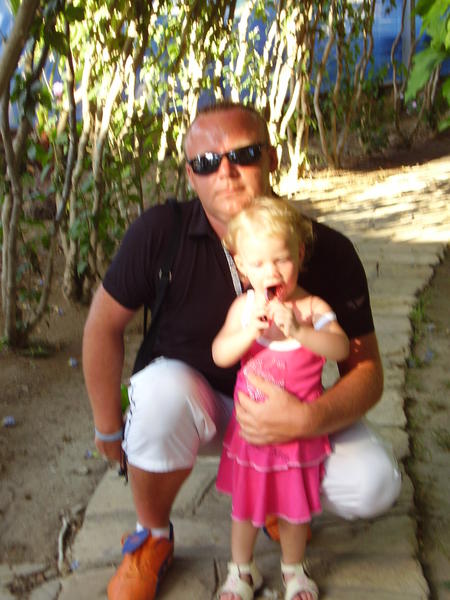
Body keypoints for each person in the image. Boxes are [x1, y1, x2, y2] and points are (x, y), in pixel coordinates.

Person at [82, 101, 401, 600]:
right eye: (206, 162)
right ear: (190, 175)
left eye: (244, 155)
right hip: (201, 410)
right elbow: (102, 326)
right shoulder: (161, 232)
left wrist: (307, 419)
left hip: (294, 409)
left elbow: (366, 371)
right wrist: (107, 424)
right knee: (158, 391)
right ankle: (153, 535)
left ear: (271, 158)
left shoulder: (325, 250)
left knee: (374, 483)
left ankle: (276, 499)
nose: (225, 172)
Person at [212, 196, 350, 600]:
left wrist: (302, 332)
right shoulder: (244, 308)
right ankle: (242, 570)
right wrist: (247, 333)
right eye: (257, 263)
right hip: (251, 434)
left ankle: (294, 570)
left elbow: (340, 347)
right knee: (244, 508)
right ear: (241, 266)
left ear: (300, 255)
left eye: (281, 260)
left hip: (295, 438)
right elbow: (220, 353)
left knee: (293, 510)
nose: (270, 272)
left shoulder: (312, 308)